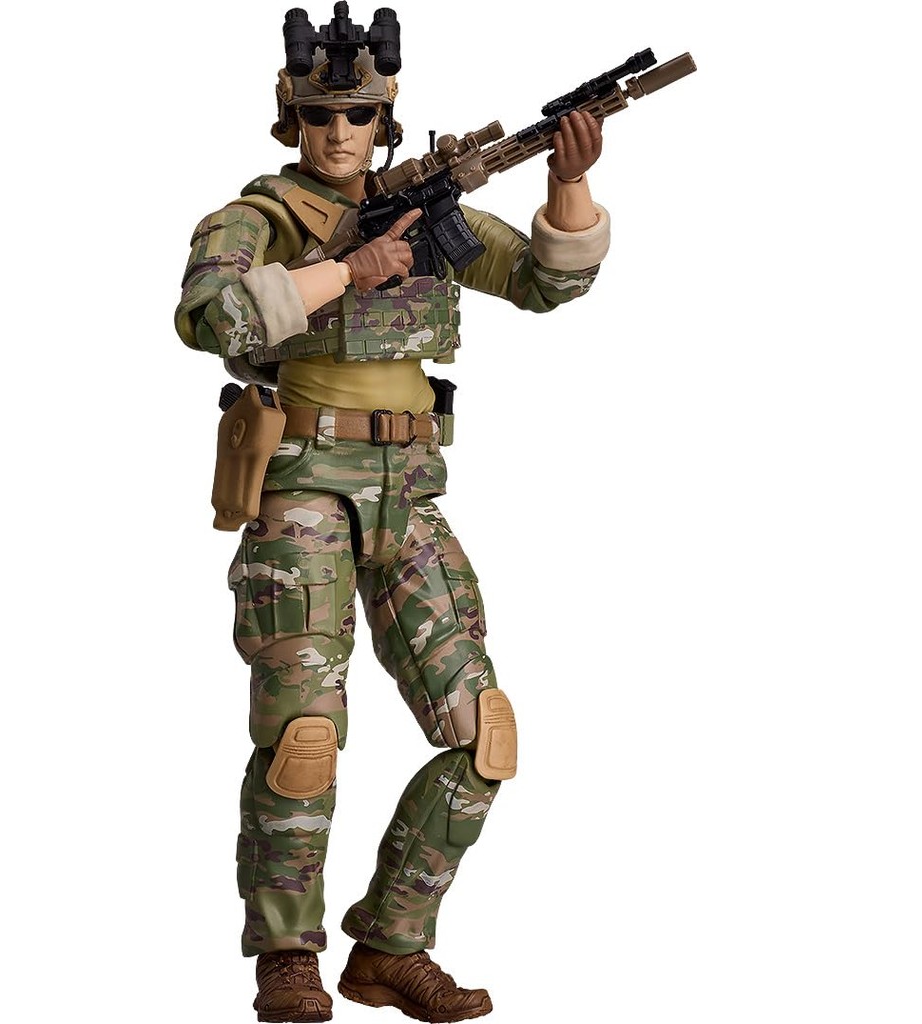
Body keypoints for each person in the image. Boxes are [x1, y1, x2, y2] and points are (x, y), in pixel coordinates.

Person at [174, 10, 610, 1021]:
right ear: (293, 118)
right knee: (303, 733)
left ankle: (390, 944)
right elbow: (205, 314)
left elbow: (545, 280)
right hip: (302, 488)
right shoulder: (261, 218)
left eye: (360, 116)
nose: (341, 135)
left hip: (408, 491)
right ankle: (287, 954)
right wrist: (344, 270)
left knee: (482, 732)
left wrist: (569, 185)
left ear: (385, 120)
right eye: (323, 116)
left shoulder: (417, 208)